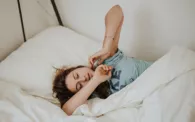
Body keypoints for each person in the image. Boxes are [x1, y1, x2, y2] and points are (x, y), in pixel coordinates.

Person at [52, 5, 152, 115]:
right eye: (79, 86)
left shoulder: (105, 60)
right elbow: (67, 110)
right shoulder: (96, 99)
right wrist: (95, 80)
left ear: (78, 68)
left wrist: (107, 46)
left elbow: (116, 11)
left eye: (77, 75)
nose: (83, 78)